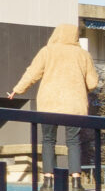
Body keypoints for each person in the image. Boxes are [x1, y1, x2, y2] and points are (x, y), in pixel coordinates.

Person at [9, 22, 100, 176]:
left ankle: (48, 179)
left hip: (49, 104)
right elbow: (92, 83)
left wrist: (17, 90)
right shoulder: (83, 55)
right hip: (74, 106)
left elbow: (32, 73)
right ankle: (76, 180)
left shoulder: (47, 52)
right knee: (73, 141)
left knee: (48, 140)